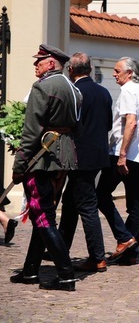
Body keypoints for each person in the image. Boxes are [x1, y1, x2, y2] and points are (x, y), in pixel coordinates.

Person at [10, 44, 81, 291]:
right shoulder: (73, 89)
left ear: (51, 63)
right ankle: (31, 270)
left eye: (39, 61)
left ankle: (66, 274)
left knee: (43, 216)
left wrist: (19, 166)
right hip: (63, 158)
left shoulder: (43, 87)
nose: (35, 65)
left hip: (43, 158)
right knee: (45, 215)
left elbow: (31, 133)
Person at [58, 52, 112, 273]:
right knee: (70, 201)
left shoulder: (75, 91)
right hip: (98, 155)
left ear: (71, 70)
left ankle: (97, 257)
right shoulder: (104, 92)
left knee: (87, 206)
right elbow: (107, 123)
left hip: (80, 156)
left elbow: (71, 124)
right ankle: (59, 247)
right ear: (89, 69)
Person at [97, 57, 139, 266]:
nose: (114, 74)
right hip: (138, 156)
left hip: (124, 155)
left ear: (129, 73)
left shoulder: (129, 91)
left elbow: (131, 122)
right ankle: (131, 253)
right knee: (135, 205)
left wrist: (121, 154)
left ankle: (124, 237)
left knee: (100, 195)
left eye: (117, 70)